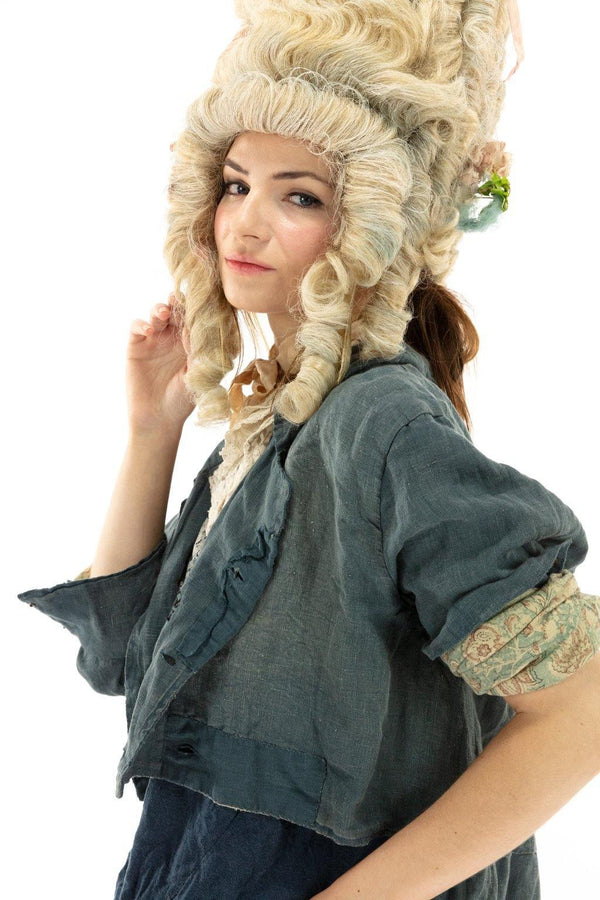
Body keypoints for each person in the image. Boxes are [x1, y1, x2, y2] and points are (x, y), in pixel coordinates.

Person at [17, 2, 600, 898]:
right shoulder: (280, 420)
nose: (244, 224)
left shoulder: (380, 423)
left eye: (300, 196)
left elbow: (582, 711)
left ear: (376, 221)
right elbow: (124, 667)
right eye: (235, 183)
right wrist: (152, 432)